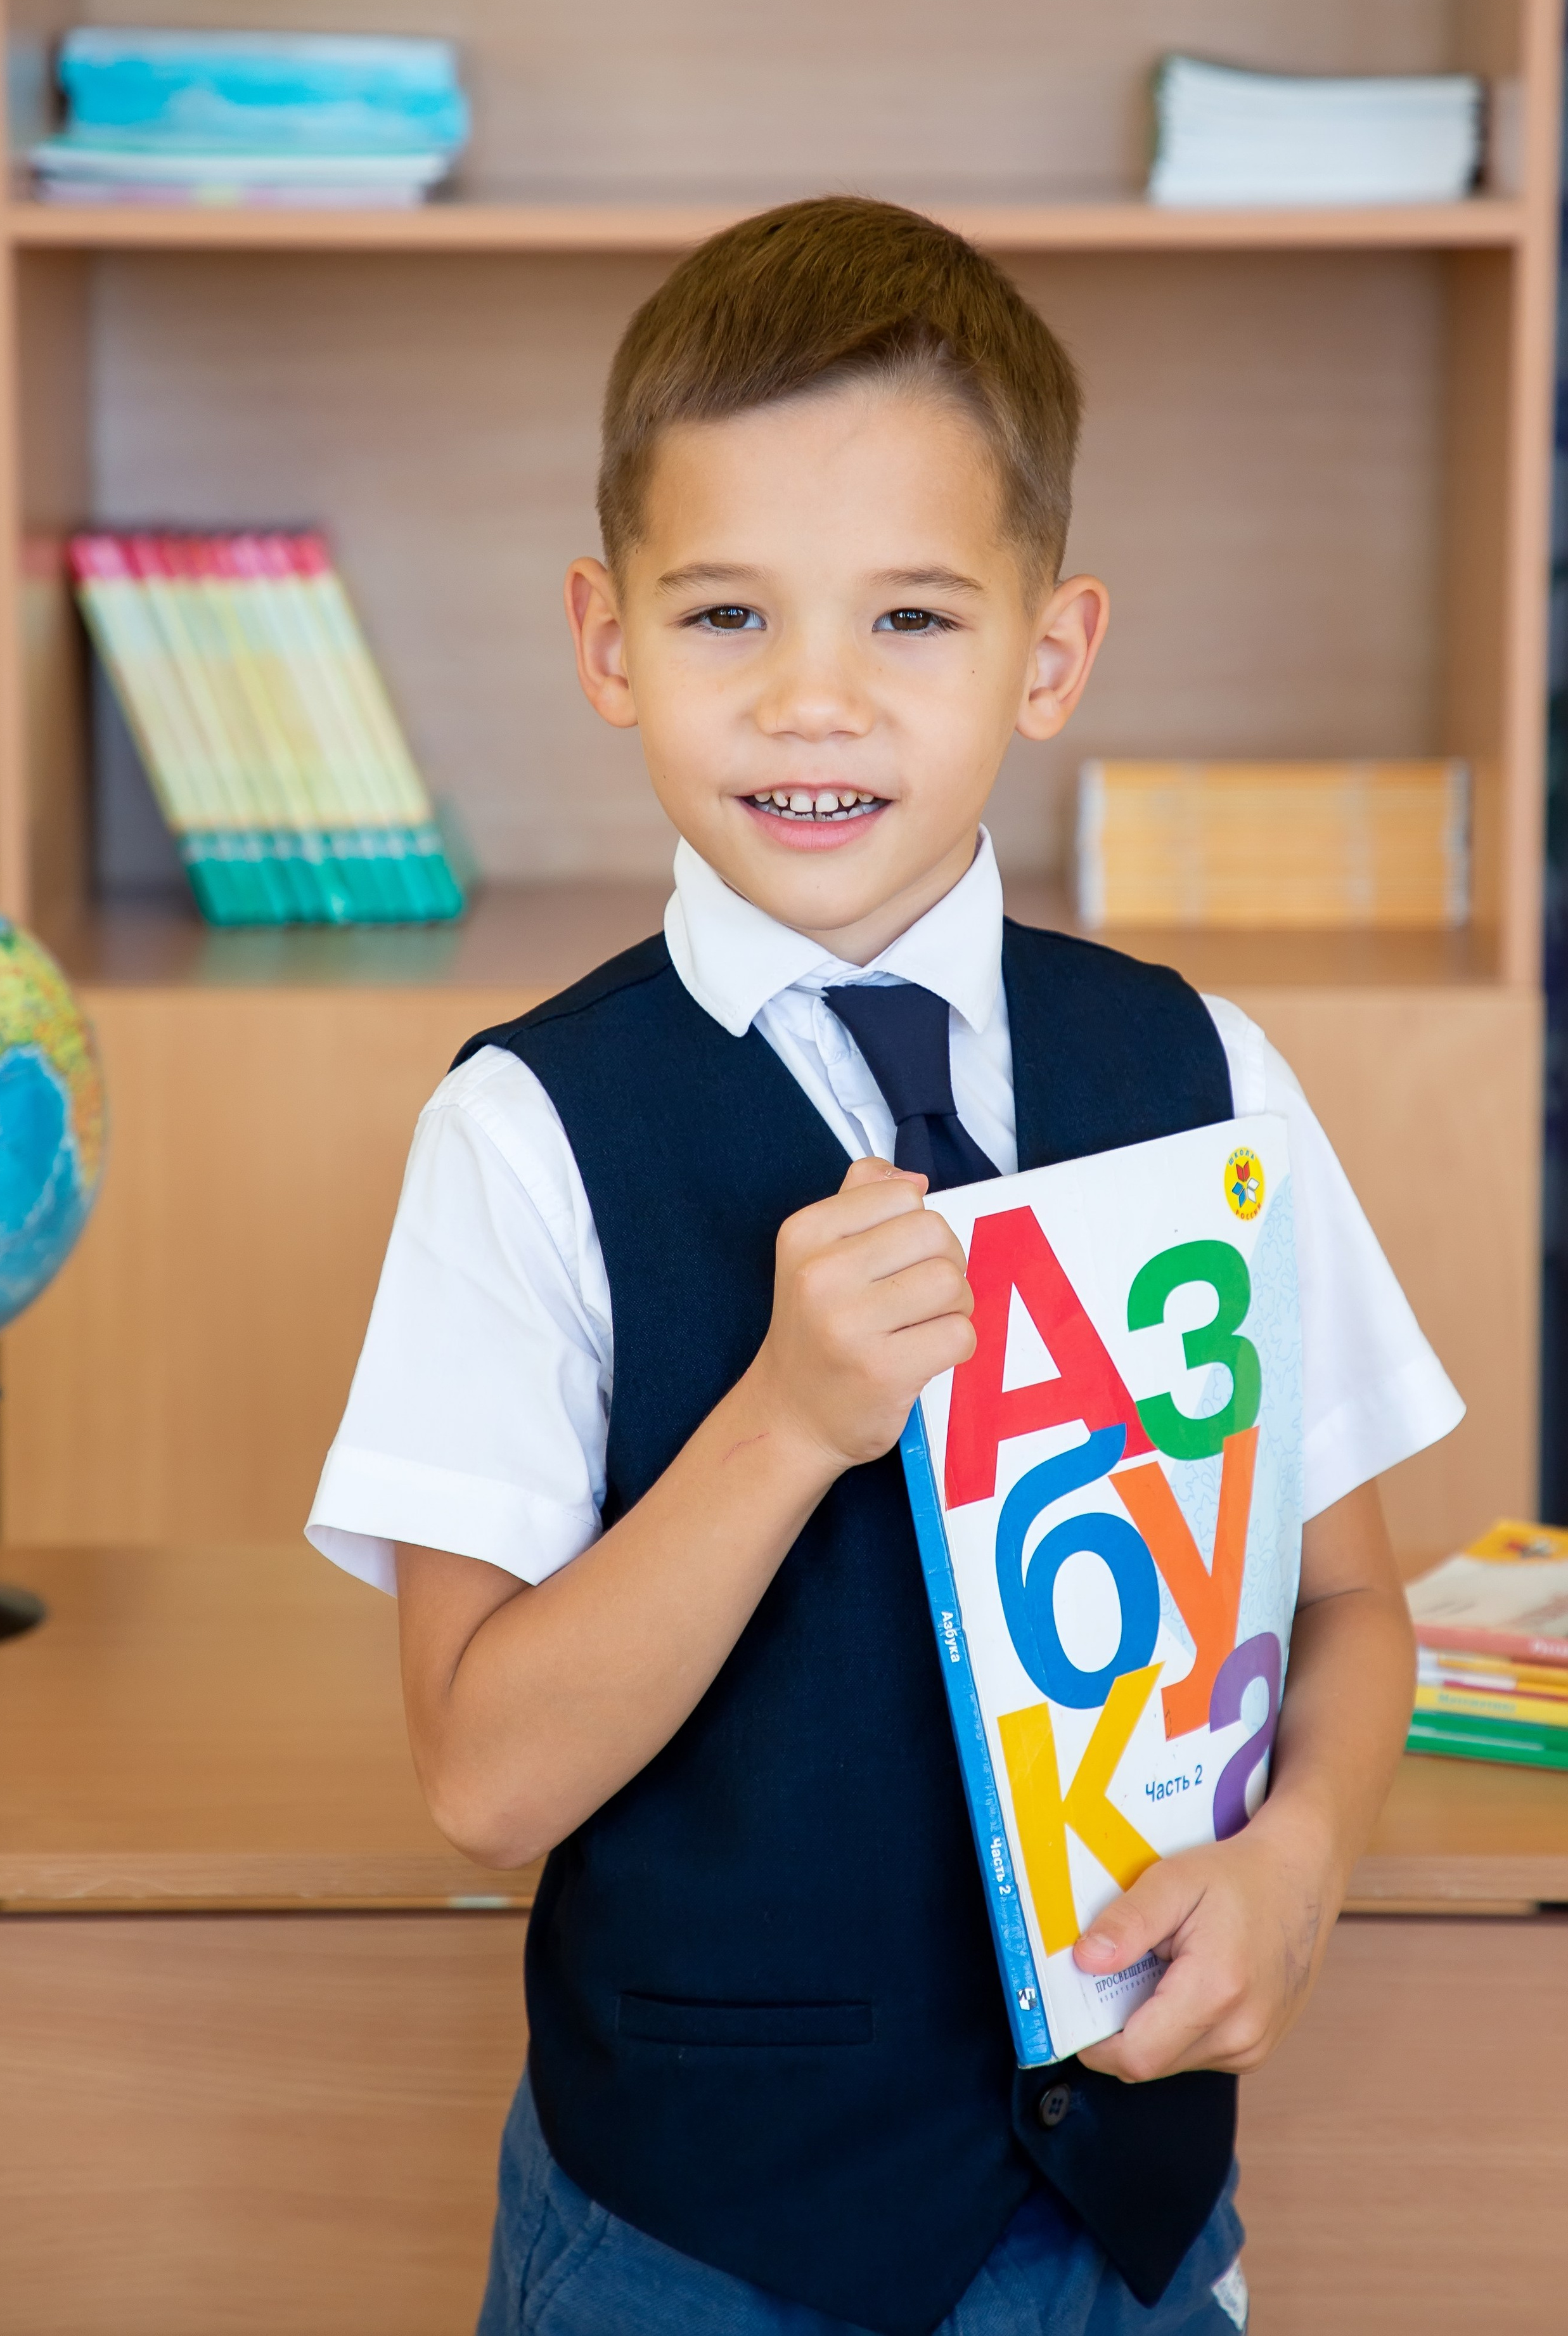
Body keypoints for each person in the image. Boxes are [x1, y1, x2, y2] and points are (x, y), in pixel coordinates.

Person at [307, 197, 1461, 2336]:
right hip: (693, 2244)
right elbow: (483, 1780)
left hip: (1125, 2216)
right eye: (728, 612)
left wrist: (1300, 1864)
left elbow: (1362, 1595)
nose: (814, 696)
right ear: (607, 640)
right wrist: (785, 1422)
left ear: (1050, 652)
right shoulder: (524, 1135)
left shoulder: (1201, 1070)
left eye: (913, 619)